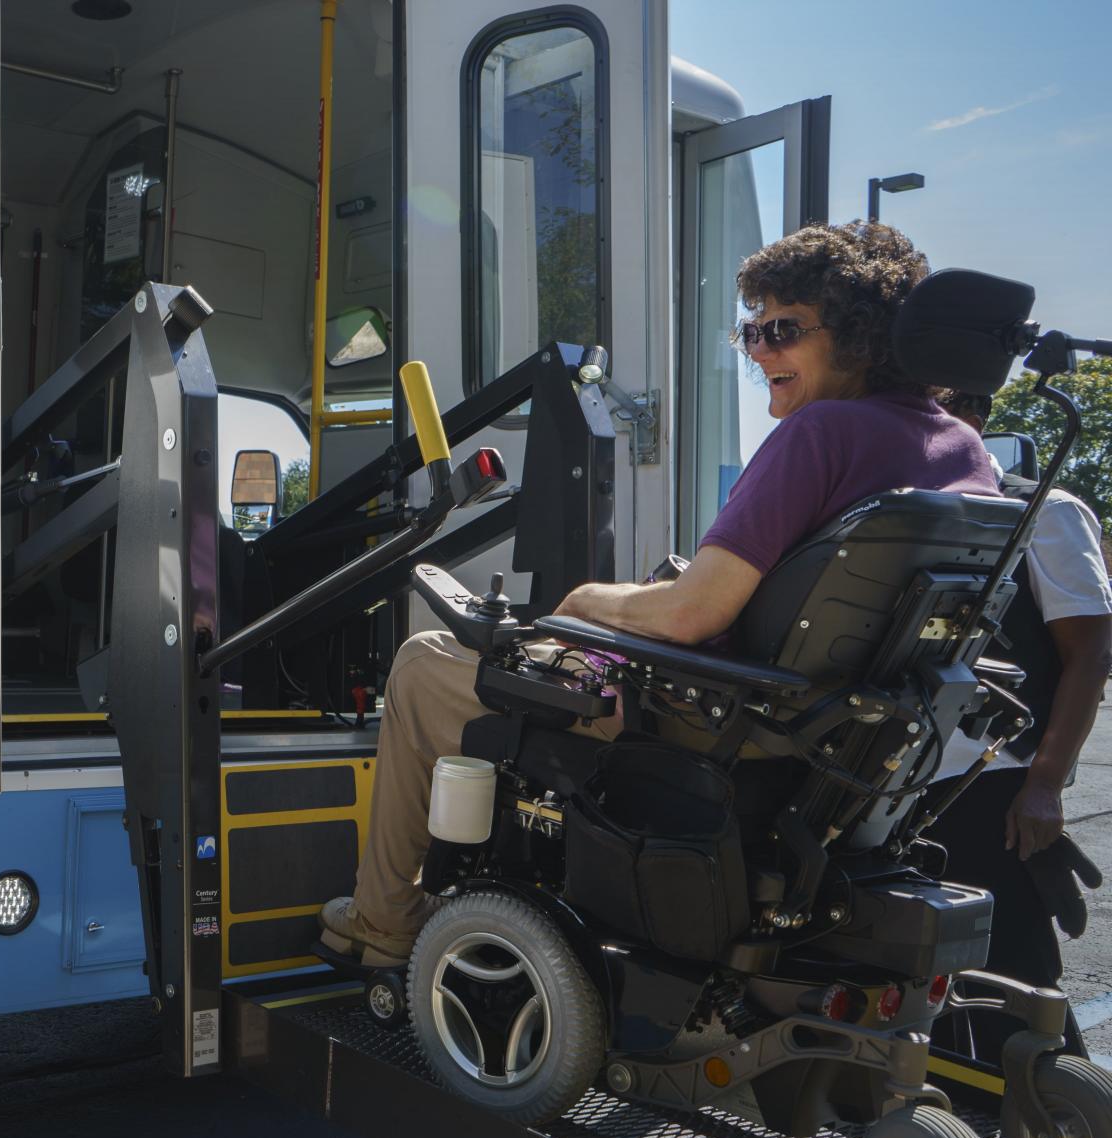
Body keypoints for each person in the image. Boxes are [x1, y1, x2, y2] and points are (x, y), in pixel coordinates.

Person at [321, 221, 1002, 967]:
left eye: (783, 330)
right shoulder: (966, 452)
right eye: (751, 332)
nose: (761, 350)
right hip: (834, 742)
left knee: (424, 664)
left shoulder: (821, 434)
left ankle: (384, 920)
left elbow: (691, 614)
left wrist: (582, 602)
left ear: (861, 335)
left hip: (698, 717)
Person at [933, 390, 1112, 1027]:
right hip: (898, 782)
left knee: (1015, 982)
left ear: (974, 420)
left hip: (995, 780)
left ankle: (1056, 1118)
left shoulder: (1046, 509)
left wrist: (1043, 785)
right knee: (927, 984)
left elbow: (1090, 655)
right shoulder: (902, 507)